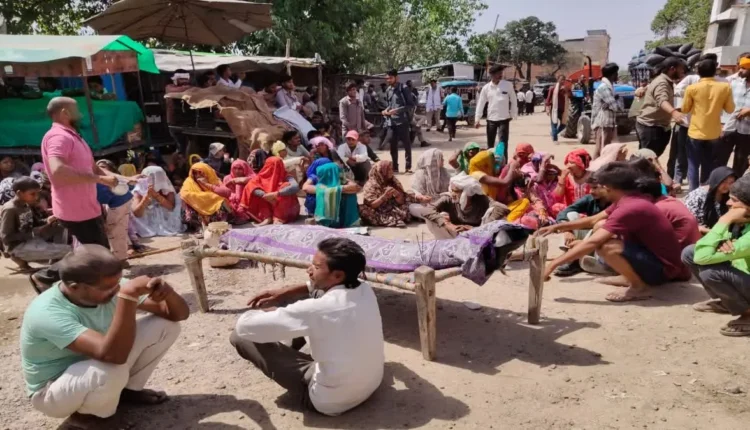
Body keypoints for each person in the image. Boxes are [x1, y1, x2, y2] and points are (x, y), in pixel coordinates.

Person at [20, 245, 189, 427]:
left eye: (118, 283)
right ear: (75, 287)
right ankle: (88, 417)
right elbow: (114, 356)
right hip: (53, 392)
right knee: (111, 369)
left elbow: (178, 314)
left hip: (95, 366)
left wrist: (167, 292)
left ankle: (126, 392)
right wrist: (128, 297)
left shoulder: (108, 286)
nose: (117, 289)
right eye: (109, 287)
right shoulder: (47, 312)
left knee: (165, 326)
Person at [231, 237, 383, 415]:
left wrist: (270, 313)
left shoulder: (317, 310)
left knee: (239, 336)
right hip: (371, 384)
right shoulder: (364, 288)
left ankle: (289, 349)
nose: (308, 270)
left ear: (338, 275)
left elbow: (244, 327)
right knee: (313, 301)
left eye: (316, 267)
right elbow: (314, 289)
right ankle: (290, 341)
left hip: (330, 401)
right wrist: (284, 292)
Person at [541, 162, 690, 302]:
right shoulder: (628, 199)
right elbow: (593, 220)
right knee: (603, 235)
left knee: (607, 247)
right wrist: (557, 227)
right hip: (655, 259)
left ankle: (639, 287)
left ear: (608, 187)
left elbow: (594, 242)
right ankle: (630, 277)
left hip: (664, 270)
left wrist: (553, 264)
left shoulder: (630, 207)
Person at [41, 97, 130, 248]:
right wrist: (100, 180)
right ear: (65, 113)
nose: (81, 115)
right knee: (99, 256)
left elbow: (94, 168)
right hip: (76, 212)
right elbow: (58, 170)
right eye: (77, 111)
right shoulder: (59, 137)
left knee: (97, 254)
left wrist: (126, 179)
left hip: (88, 209)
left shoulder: (73, 136)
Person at [681, 175, 750, 336]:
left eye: (734, 200)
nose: (728, 203)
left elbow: (702, 257)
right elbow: (699, 252)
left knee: (711, 273)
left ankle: (748, 314)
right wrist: (721, 242)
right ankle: (727, 301)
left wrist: (724, 220)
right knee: (690, 252)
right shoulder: (742, 222)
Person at [682, 59, 734, 191]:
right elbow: (730, 109)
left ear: (698, 72)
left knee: (693, 165)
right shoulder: (725, 87)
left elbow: (685, 109)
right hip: (714, 133)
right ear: (715, 71)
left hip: (695, 132)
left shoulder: (692, 88)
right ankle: (705, 191)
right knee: (708, 164)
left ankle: (693, 193)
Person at [0, 177, 70, 272]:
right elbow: (6, 237)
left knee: (61, 226)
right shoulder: (10, 209)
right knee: (69, 251)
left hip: (32, 238)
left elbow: (36, 222)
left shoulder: (26, 204)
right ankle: (21, 260)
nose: (36, 197)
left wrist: (48, 220)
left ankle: (55, 259)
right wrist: (33, 233)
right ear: (19, 193)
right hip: (18, 247)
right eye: (33, 194)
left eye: (37, 193)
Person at [410, 173, 510, 239]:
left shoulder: (481, 199)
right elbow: (427, 210)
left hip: (477, 235)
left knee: (501, 220)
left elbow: (503, 208)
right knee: (431, 219)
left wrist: (479, 228)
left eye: (457, 191)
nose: (453, 194)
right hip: (455, 233)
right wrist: (447, 224)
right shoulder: (449, 198)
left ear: (468, 193)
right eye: (452, 190)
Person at [551, 174, 611, 277]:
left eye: (595, 188)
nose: (591, 191)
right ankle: (576, 256)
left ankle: (575, 257)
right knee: (571, 215)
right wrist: (567, 231)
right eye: (590, 188)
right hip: (590, 235)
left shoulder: (616, 202)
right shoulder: (589, 199)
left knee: (602, 224)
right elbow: (564, 213)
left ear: (607, 187)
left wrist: (584, 242)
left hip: (605, 238)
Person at [636, 57, 687, 157]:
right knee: (647, 159)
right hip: (651, 126)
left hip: (657, 126)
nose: (683, 72)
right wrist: (674, 112)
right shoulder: (662, 82)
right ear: (672, 69)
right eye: (681, 69)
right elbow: (662, 100)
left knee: (649, 157)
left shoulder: (665, 81)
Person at [240, 157, 300, 225]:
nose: (275, 169)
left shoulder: (286, 176)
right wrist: (265, 195)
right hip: (269, 202)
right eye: (272, 166)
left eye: (278, 166)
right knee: (252, 186)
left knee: (285, 186)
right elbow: (249, 186)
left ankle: (279, 218)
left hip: (285, 209)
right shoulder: (261, 176)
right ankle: (267, 216)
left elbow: (295, 187)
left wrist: (276, 194)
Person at [717, 54, 750, 177]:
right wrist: (720, 124)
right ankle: (719, 184)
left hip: (747, 132)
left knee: (740, 163)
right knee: (719, 160)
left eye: (744, 68)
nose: (740, 70)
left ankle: (735, 185)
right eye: (740, 67)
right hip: (728, 127)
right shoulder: (732, 81)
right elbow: (720, 103)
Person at [95, 160, 133, 265]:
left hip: (119, 203)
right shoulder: (99, 178)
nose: (101, 169)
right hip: (122, 201)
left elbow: (98, 202)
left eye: (103, 167)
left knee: (114, 231)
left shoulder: (97, 180)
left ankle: (120, 260)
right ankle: (121, 258)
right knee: (118, 230)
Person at [131, 166, 185, 238]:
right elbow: (137, 214)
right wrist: (145, 198)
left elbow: (171, 207)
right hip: (145, 220)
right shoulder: (139, 190)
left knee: (179, 198)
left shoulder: (167, 188)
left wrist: (157, 196)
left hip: (164, 219)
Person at [475, 64, 517, 155]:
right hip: (491, 119)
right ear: (492, 75)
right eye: (498, 73)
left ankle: (504, 162)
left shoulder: (508, 85)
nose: (500, 75)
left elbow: (513, 100)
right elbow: (481, 103)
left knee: (503, 144)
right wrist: (477, 119)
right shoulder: (486, 88)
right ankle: (491, 162)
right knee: (490, 145)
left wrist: (513, 114)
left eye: (501, 73)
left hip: (504, 119)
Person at [302, 163, 361, 227]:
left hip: (331, 221)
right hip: (345, 222)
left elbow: (356, 187)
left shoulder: (321, 187)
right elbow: (356, 187)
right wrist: (341, 188)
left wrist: (339, 187)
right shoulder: (345, 187)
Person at [180, 162, 232, 231]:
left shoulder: (214, 179)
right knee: (187, 202)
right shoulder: (189, 182)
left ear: (207, 172)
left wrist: (206, 184)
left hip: (213, 210)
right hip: (198, 209)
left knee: (222, 201)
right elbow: (184, 194)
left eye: (200, 172)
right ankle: (199, 227)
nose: (197, 175)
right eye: (195, 173)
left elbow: (227, 193)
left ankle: (218, 225)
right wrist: (209, 196)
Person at [684, 166, 737, 234]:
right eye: (724, 182)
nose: (727, 186)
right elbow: (690, 222)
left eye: (731, 183)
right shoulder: (697, 196)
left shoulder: (729, 195)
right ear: (716, 180)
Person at [359, 161, 412, 227]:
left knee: (409, 197)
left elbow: (402, 201)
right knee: (362, 209)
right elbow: (371, 205)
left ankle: (394, 219)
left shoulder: (393, 181)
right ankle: (393, 219)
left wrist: (397, 195)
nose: (391, 171)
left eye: (391, 169)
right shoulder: (370, 185)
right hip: (377, 211)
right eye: (388, 169)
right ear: (382, 171)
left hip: (392, 208)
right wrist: (384, 197)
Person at [383, 69, 416, 174]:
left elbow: (410, 105)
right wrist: (385, 111)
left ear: (396, 78)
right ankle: (395, 167)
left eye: (390, 78)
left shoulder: (404, 88)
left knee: (407, 144)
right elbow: (389, 105)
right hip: (391, 122)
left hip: (403, 121)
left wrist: (397, 110)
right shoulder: (388, 90)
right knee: (393, 146)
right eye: (387, 78)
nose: (388, 80)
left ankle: (408, 167)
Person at [592, 63, 622, 157]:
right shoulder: (604, 88)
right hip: (603, 124)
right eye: (616, 73)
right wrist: (615, 101)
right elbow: (616, 107)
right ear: (612, 75)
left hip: (608, 123)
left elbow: (616, 105)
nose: (617, 76)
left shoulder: (610, 87)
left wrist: (610, 104)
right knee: (602, 151)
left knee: (604, 150)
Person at [164, 70, 193, 153]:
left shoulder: (188, 88)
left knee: (189, 144)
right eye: (182, 79)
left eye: (186, 79)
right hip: (174, 121)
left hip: (188, 120)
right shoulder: (169, 87)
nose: (184, 81)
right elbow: (176, 90)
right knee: (181, 146)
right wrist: (188, 88)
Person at [546, 75, 569, 145]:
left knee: (564, 124)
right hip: (554, 109)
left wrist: (566, 90)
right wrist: (547, 108)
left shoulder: (565, 89)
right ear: (558, 79)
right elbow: (548, 99)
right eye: (561, 79)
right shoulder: (552, 88)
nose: (563, 81)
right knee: (554, 124)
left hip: (562, 109)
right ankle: (555, 139)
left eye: (564, 80)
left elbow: (570, 96)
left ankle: (553, 133)